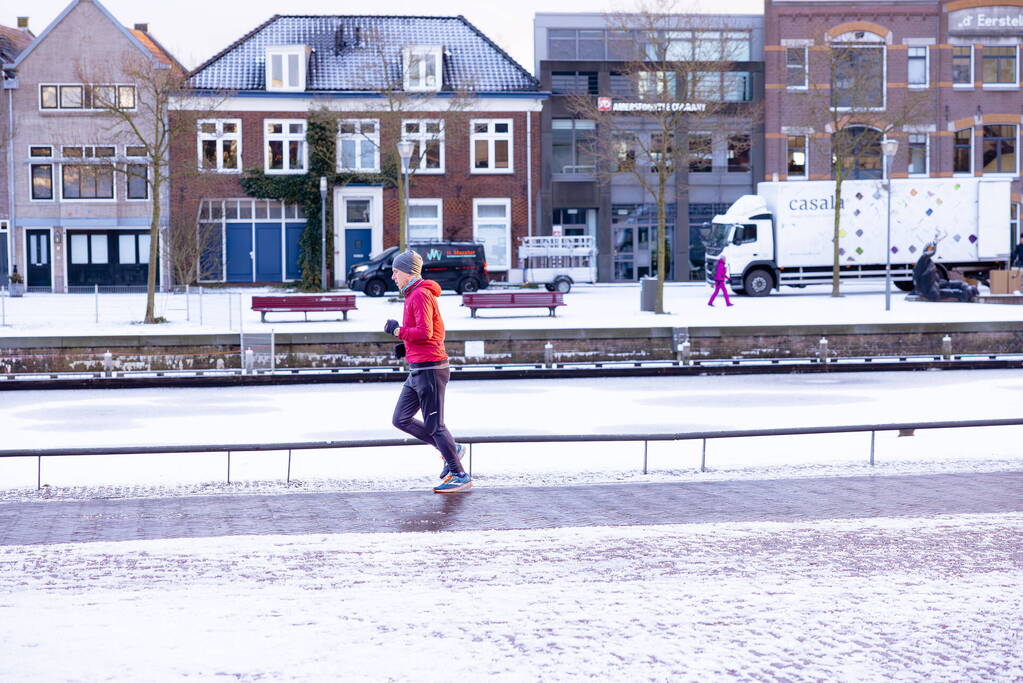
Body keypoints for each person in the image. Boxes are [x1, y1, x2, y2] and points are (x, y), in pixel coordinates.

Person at [385, 249, 471, 493]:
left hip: (431, 368)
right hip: (418, 367)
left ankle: (459, 474)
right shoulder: (413, 294)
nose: (393, 277)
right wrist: (406, 345)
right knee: (400, 419)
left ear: (408, 272)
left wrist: (398, 332)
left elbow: (426, 333)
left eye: (396, 272)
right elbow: (428, 332)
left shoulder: (421, 294)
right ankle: (451, 449)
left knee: (435, 426)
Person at [912, 241, 977, 302]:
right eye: (929, 249)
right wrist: (933, 248)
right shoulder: (922, 260)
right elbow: (925, 255)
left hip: (934, 285)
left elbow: (932, 277)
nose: (930, 251)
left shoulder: (928, 262)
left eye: (931, 249)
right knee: (953, 292)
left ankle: (966, 287)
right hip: (930, 291)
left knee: (956, 283)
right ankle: (967, 293)